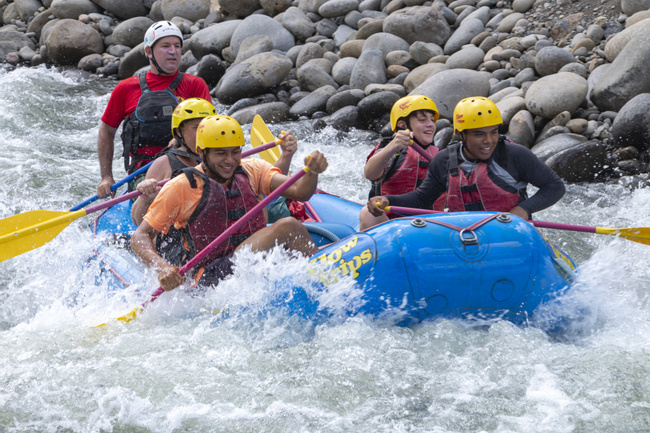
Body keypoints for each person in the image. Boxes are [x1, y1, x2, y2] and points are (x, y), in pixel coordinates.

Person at [130, 115, 328, 292]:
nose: (230, 160)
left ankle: (322, 276)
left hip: (251, 260)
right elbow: (140, 235)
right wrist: (162, 268)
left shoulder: (252, 169)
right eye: (220, 153)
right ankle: (325, 275)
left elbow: (301, 192)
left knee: (289, 229)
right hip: (209, 277)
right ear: (202, 153)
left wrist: (312, 172)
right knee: (287, 226)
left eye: (235, 152)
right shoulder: (181, 186)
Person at [366, 96, 565, 223]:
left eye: (493, 132)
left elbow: (555, 186)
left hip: (511, 232)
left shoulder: (514, 154)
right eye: (479, 134)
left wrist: (523, 209)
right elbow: (422, 198)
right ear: (461, 135)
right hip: (463, 235)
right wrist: (387, 200)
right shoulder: (444, 160)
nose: (489, 141)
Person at [97, 21, 211, 198]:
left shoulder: (195, 85)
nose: (173, 51)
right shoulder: (126, 88)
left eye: (177, 46)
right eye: (165, 46)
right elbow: (107, 130)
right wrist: (106, 177)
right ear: (149, 52)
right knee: (158, 195)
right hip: (143, 171)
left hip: (189, 163)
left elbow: (211, 129)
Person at [359, 94, 440, 230]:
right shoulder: (391, 151)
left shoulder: (441, 154)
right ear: (403, 124)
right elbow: (370, 174)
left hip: (433, 225)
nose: (430, 125)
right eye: (422, 120)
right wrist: (393, 146)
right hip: (392, 226)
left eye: (432, 120)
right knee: (368, 214)